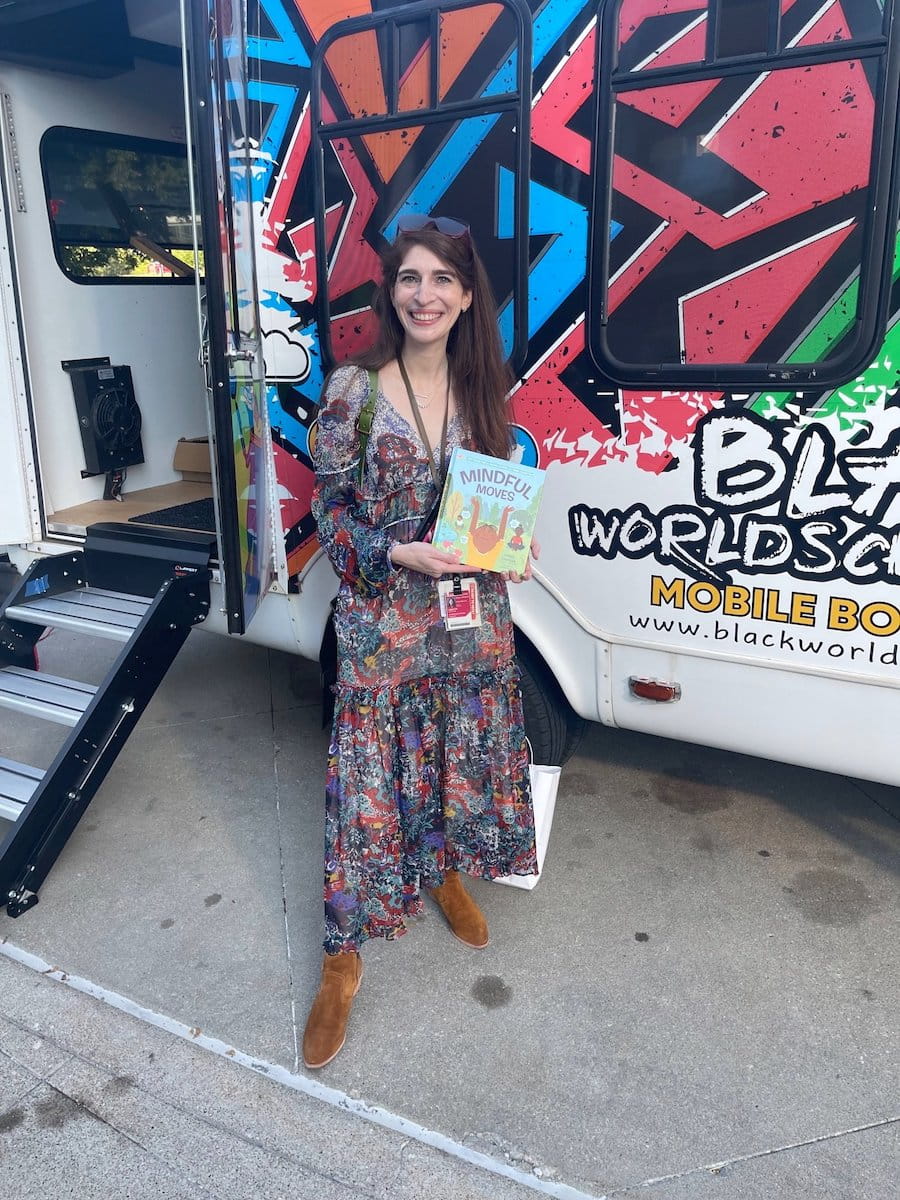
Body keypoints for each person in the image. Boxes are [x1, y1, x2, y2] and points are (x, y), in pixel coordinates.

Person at [303, 213, 537, 1070]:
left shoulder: (484, 391)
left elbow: (495, 499)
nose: (425, 294)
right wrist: (392, 551)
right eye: (410, 277)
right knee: (363, 792)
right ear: (391, 291)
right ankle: (342, 954)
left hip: (468, 627)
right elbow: (327, 510)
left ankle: (441, 871)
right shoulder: (354, 391)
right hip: (383, 627)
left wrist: (515, 548)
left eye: (443, 279)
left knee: (449, 758)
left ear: (467, 296)